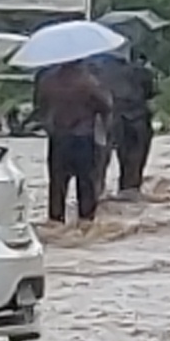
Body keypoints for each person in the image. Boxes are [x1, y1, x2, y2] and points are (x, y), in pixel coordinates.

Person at [34, 58, 113, 225]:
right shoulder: (88, 82)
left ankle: (55, 222)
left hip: (58, 139)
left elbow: (40, 107)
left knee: (57, 185)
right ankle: (85, 224)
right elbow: (106, 106)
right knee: (86, 186)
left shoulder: (47, 81)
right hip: (83, 139)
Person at [94, 49, 160, 201]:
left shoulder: (95, 71)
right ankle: (129, 193)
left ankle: (97, 194)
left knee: (99, 163)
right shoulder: (142, 71)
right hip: (136, 119)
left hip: (107, 119)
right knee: (133, 167)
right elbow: (151, 92)